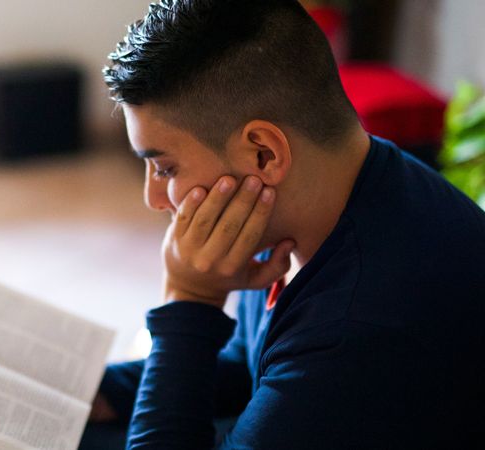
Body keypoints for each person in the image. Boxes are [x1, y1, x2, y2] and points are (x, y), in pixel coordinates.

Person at [82, 0, 485, 449]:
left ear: (264, 154)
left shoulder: (356, 329)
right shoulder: (315, 193)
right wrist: (103, 391)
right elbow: (253, 364)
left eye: (166, 168)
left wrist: (189, 301)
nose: (153, 198)